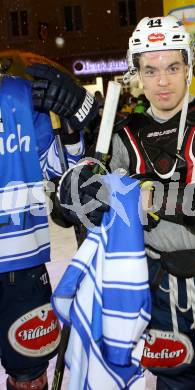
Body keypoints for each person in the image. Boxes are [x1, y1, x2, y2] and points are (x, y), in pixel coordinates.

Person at [29, 16, 195, 389]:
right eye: (150, 70)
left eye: (172, 67)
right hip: (159, 286)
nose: (162, 81)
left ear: (189, 68)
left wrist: (134, 194)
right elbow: (68, 209)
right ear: (138, 74)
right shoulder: (123, 134)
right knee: (174, 383)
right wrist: (77, 179)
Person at [0, 68, 96, 389]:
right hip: (22, 266)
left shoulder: (16, 94)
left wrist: (71, 124)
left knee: (29, 379)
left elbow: (62, 171)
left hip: (20, 265)